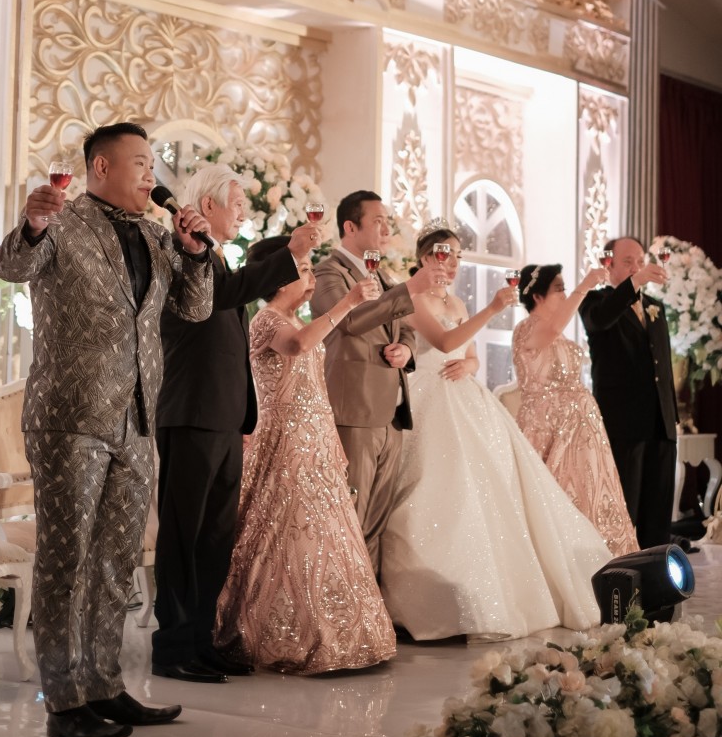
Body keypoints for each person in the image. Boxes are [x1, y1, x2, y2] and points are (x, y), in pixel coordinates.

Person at [0, 122, 214, 737]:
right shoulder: (62, 222)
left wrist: (196, 254)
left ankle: (104, 684)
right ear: (100, 167)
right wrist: (32, 224)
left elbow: (195, 308)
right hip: (72, 417)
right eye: (140, 162)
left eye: (152, 163)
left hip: (137, 421)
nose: (151, 174)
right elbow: (12, 266)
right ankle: (64, 703)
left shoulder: (158, 234)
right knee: (67, 561)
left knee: (116, 562)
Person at [379, 221, 613, 641]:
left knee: (493, 484)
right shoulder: (410, 297)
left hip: (464, 394)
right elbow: (444, 341)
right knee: (437, 484)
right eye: (443, 254)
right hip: (428, 394)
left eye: (456, 255)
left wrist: (469, 364)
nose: (451, 263)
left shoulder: (456, 301)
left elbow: (468, 355)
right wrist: (490, 310)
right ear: (425, 258)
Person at [153, 164, 320, 683]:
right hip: (191, 411)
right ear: (207, 207)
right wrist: (290, 253)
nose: (244, 213)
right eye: (238, 204)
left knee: (215, 538)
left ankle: (202, 640)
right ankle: (172, 647)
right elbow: (226, 295)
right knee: (185, 535)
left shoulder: (218, 257)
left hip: (224, 415)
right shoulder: (185, 253)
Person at [214, 236, 396, 673]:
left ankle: (342, 630)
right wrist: (348, 303)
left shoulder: (297, 318)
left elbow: (314, 384)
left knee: (328, 533)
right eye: (304, 269)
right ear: (279, 279)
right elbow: (296, 346)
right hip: (283, 440)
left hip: (315, 440)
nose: (311, 277)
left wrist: (329, 439)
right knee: (284, 529)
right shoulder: (265, 319)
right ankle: (281, 630)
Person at [308, 191, 446, 576]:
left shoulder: (384, 276)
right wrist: (411, 288)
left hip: (392, 413)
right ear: (350, 227)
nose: (387, 229)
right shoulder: (328, 273)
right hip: (355, 410)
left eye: (388, 222)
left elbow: (405, 327)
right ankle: (338, 597)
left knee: (375, 524)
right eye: (378, 221)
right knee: (348, 516)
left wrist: (406, 349)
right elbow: (351, 320)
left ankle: (365, 601)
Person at [512, 264, 639, 557]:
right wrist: (585, 286)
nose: (564, 294)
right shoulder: (527, 329)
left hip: (582, 429)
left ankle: (601, 561)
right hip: (547, 428)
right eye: (558, 289)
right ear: (537, 296)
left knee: (593, 492)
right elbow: (553, 328)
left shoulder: (559, 336)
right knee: (552, 497)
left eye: (565, 289)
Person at [579, 237, 678, 549]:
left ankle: (656, 576)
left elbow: (663, 364)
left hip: (661, 422)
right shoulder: (594, 302)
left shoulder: (655, 308)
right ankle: (621, 576)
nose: (637, 267)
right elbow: (600, 321)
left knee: (658, 514)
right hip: (623, 423)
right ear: (608, 264)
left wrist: (671, 415)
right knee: (624, 509)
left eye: (640, 261)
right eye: (628, 262)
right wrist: (634, 283)